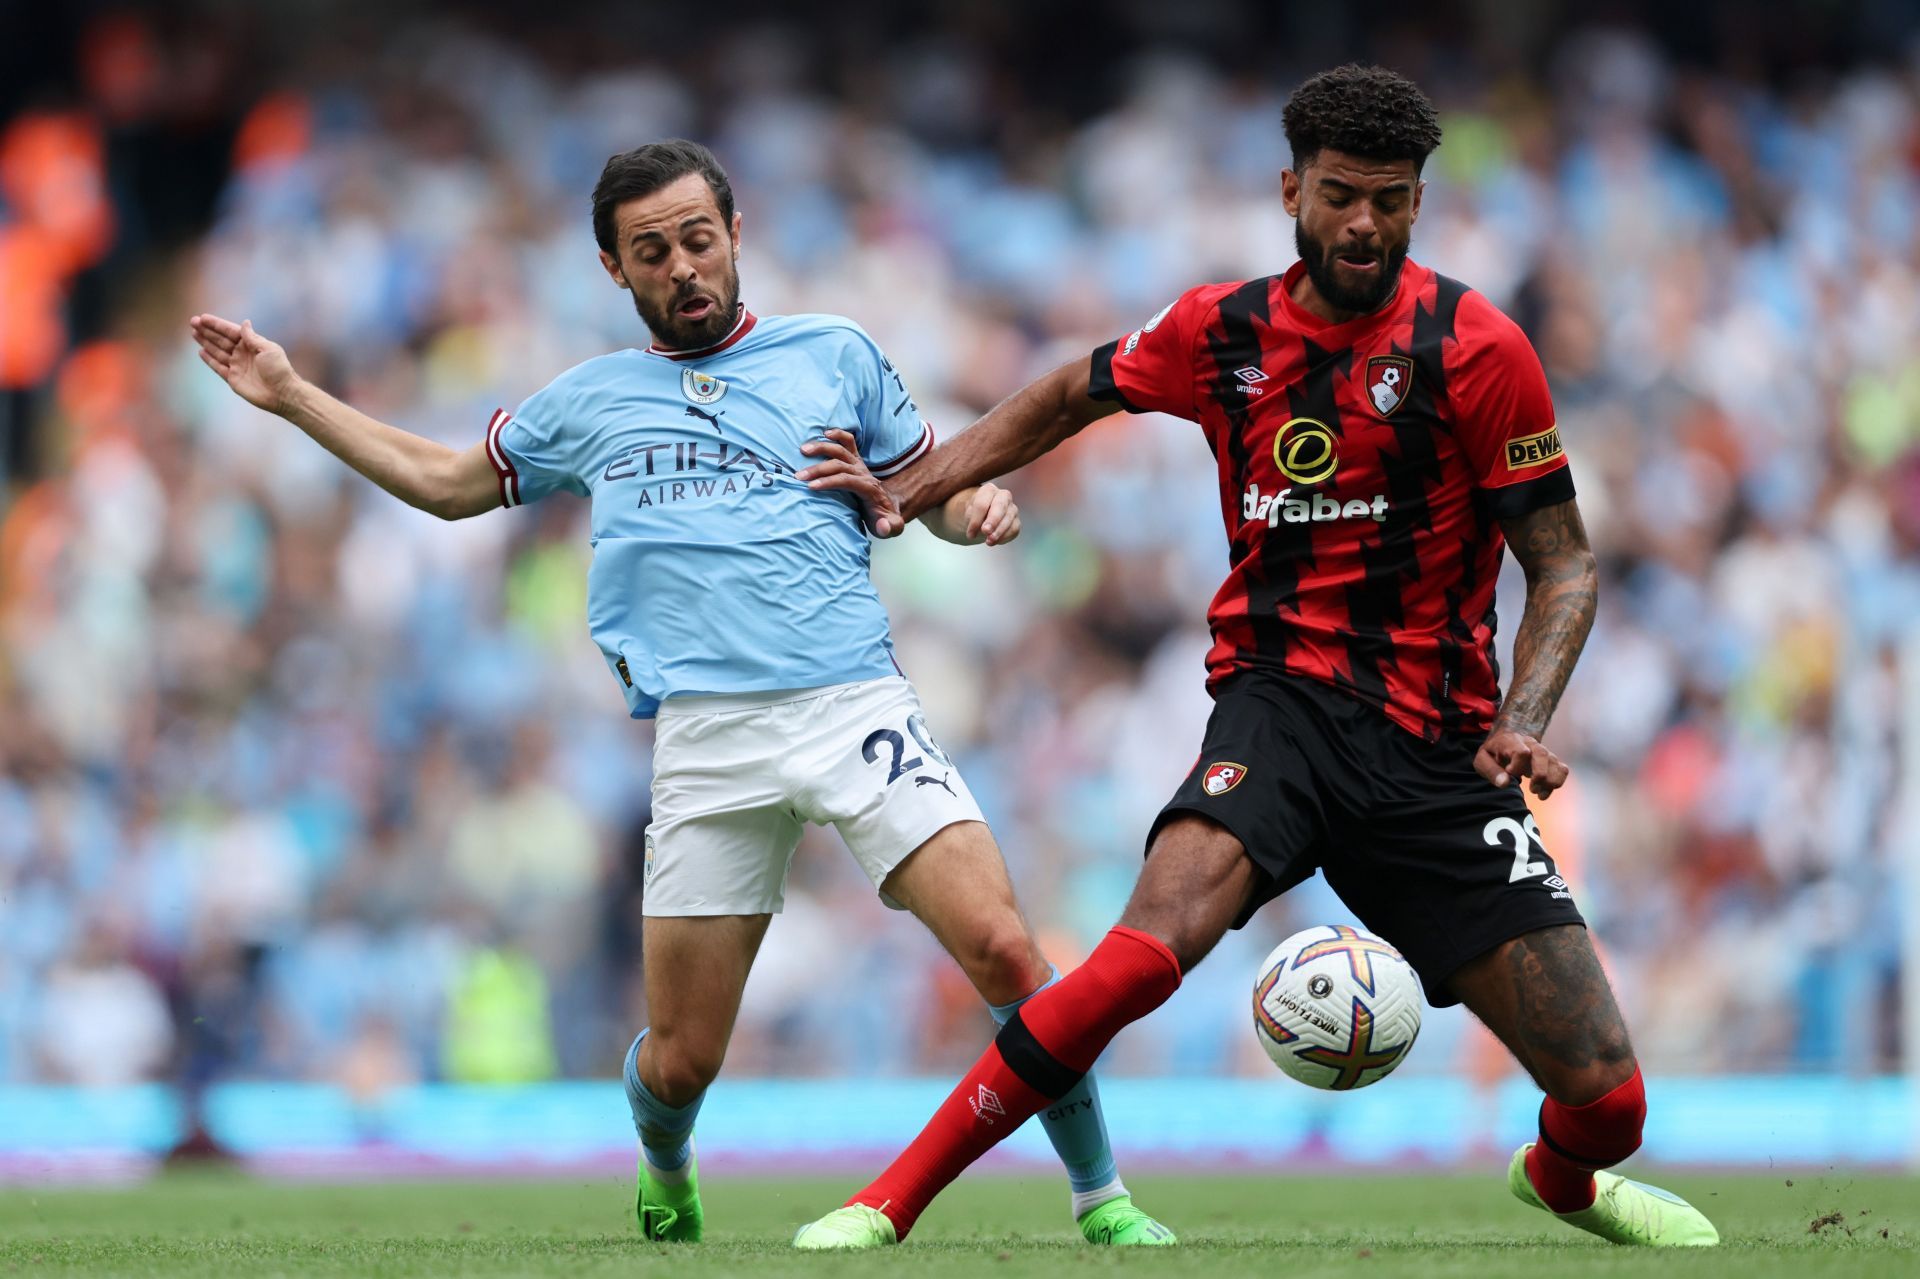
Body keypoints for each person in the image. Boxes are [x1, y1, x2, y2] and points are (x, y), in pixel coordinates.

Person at [793, 65, 1718, 1250]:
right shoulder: (1218, 332)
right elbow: (1070, 393)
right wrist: (922, 484)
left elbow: (1567, 563)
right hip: (1276, 709)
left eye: (1389, 199)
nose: (1364, 224)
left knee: (1610, 1097)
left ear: (1419, 204)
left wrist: (1526, 712)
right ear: (1292, 189)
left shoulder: (1477, 348)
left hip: (1440, 750)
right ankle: (887, 1202)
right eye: (1340, 195)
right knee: (1138, 956)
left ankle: (1559, 1179)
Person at [189, 139, 1173, 1247]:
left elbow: (920, 484)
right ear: (614, 270)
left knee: (1005, 949)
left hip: (853, 705)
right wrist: (288, 398)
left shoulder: (833, 354)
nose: (683, 268)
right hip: (706, 739)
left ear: (737, 235)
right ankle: (665, 1154)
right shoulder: (588, 401)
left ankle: (1103, 1196)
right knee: (683, 1057)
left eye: (699, 239)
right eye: (652, 252)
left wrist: (967, 507)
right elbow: (444, 483)